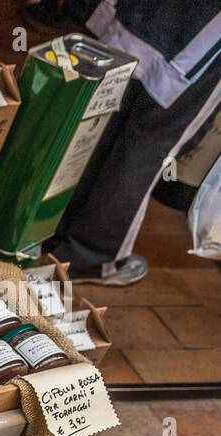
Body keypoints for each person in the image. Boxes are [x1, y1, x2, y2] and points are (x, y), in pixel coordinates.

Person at [31, 1, 221, 285]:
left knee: (105, 118)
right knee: (149, 147)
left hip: (138, 18)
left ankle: (52, 226)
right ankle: (93, 256)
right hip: (197, 43)